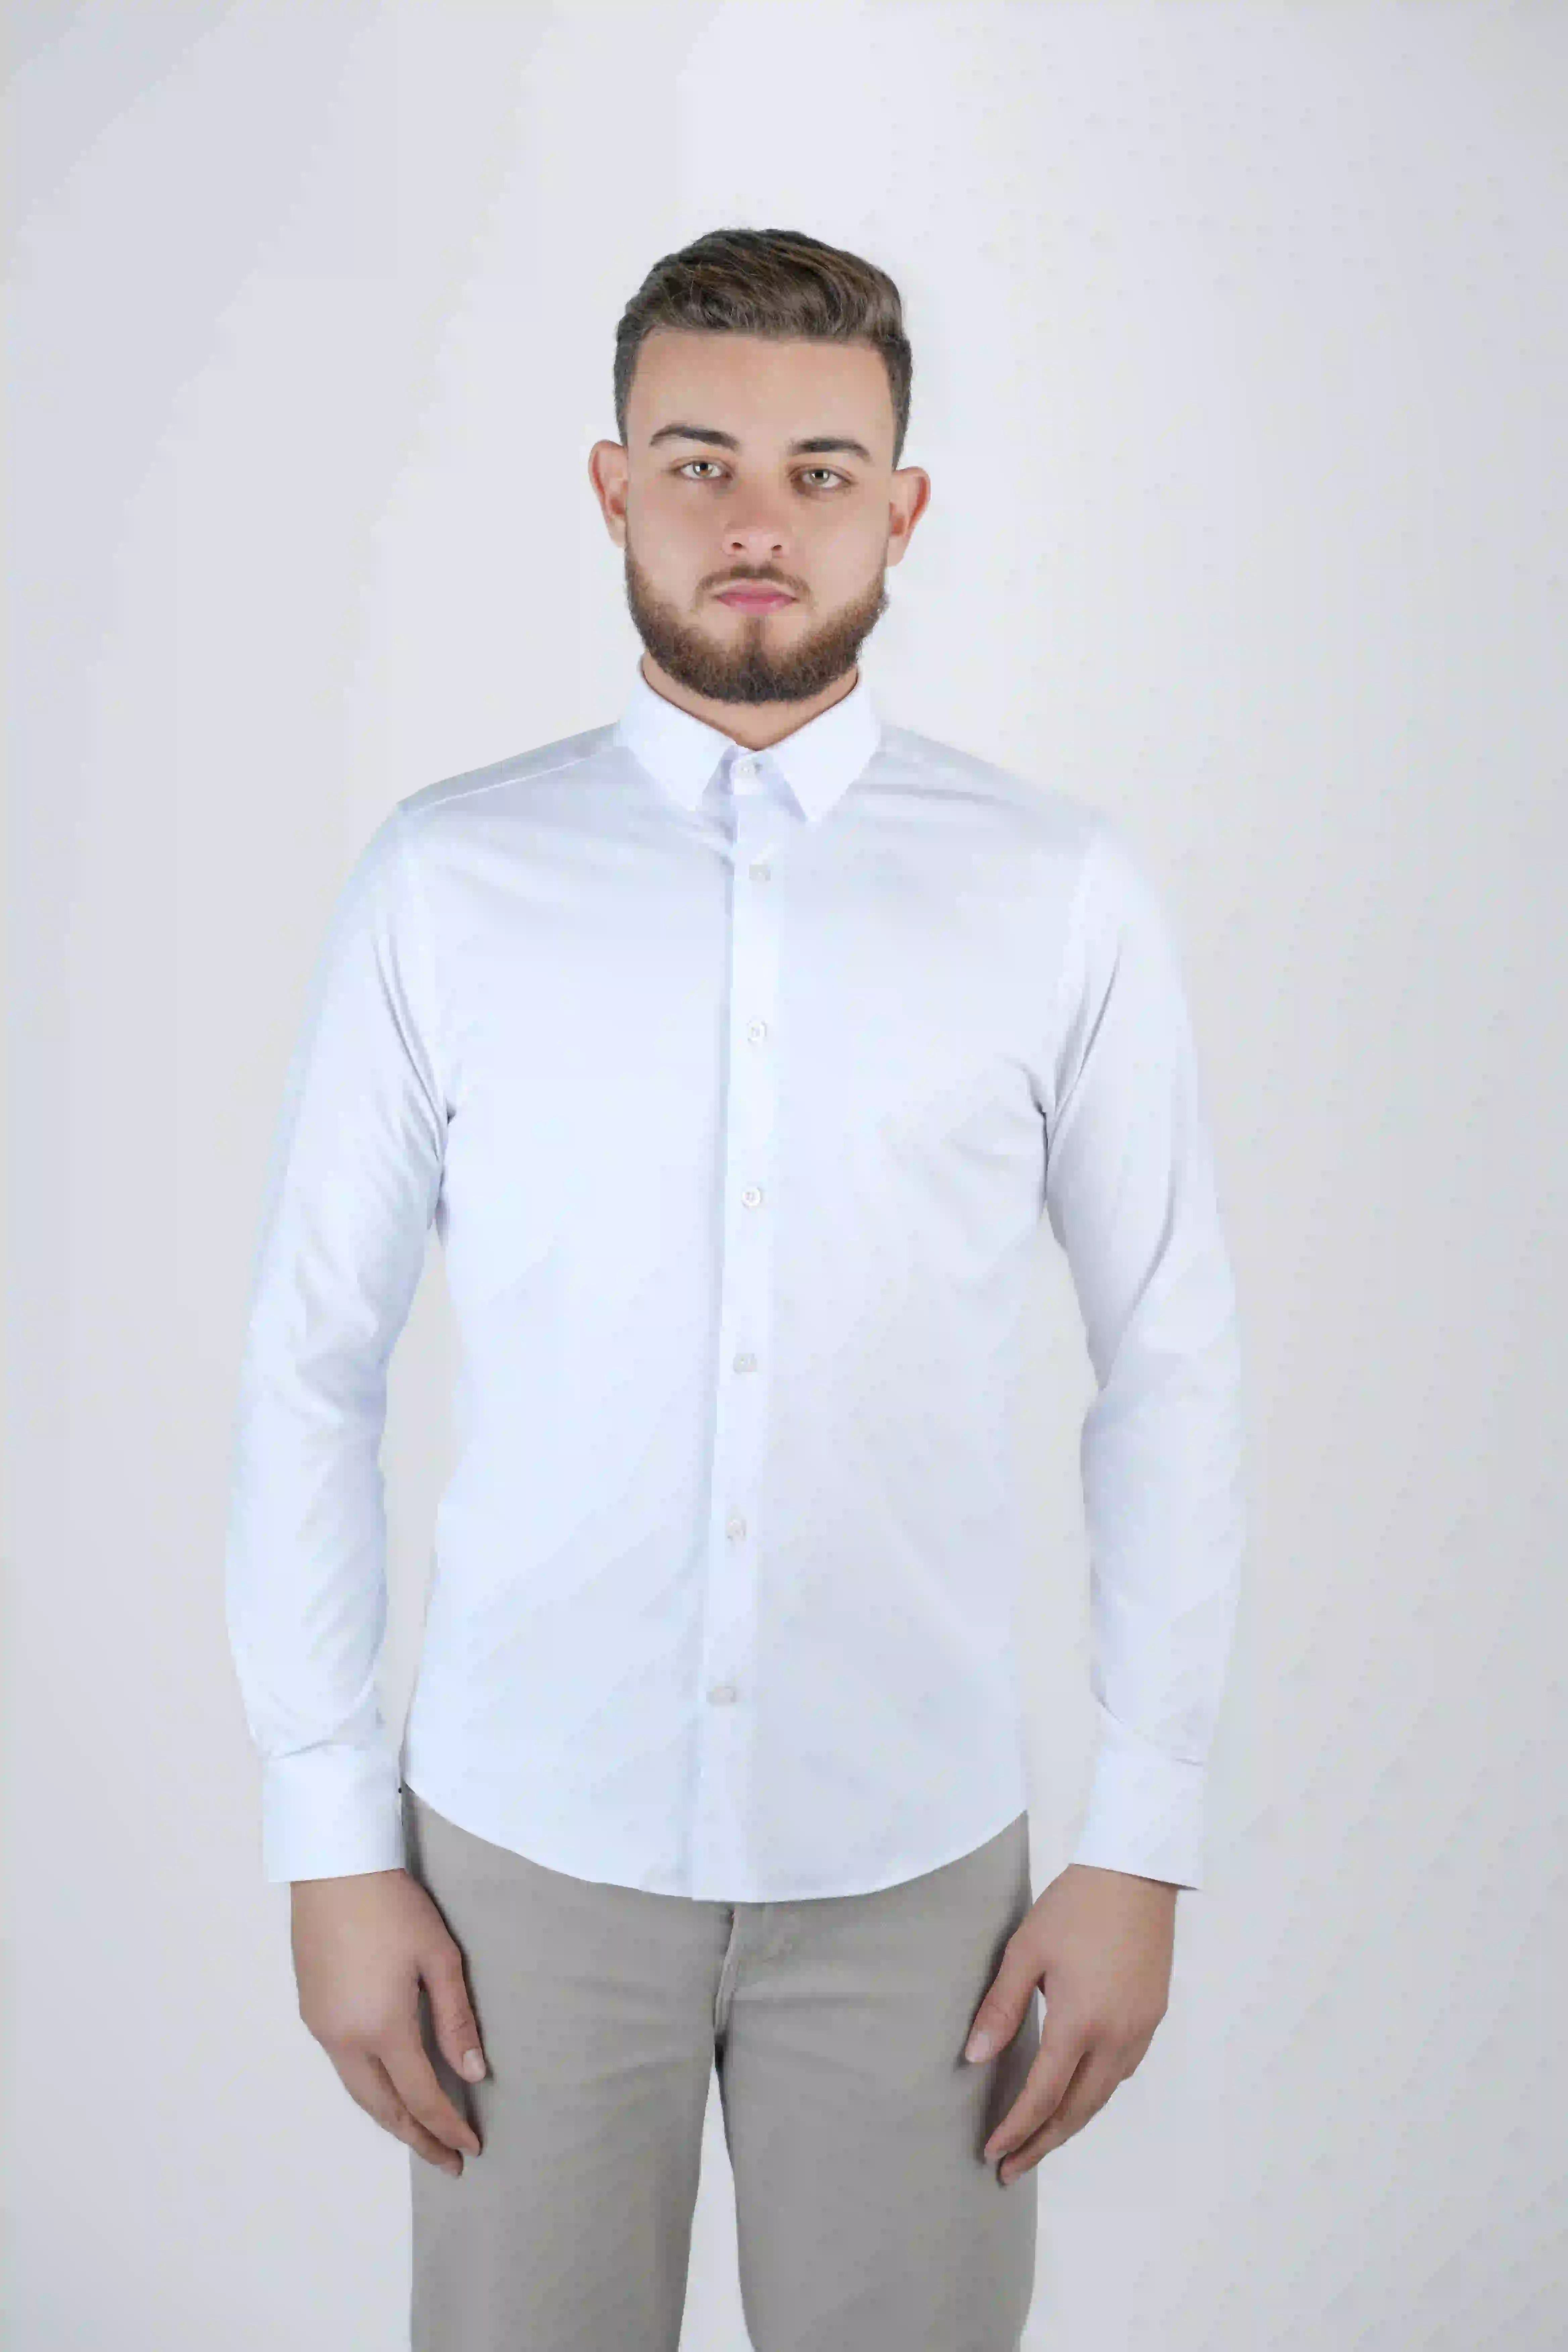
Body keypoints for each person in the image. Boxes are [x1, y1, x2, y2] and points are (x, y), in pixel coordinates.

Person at [223, 224, 1246, 2352]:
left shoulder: (1058, 895)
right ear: (614, 487)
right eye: (699, 464)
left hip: (918, 1876)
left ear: (905, 507)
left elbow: (1170, 1366)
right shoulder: (445, 881)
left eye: (820, 471)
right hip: (518, 1865)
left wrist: (1143, 1840)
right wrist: (331, 1838)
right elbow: (313, 1363)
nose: (758, 523)